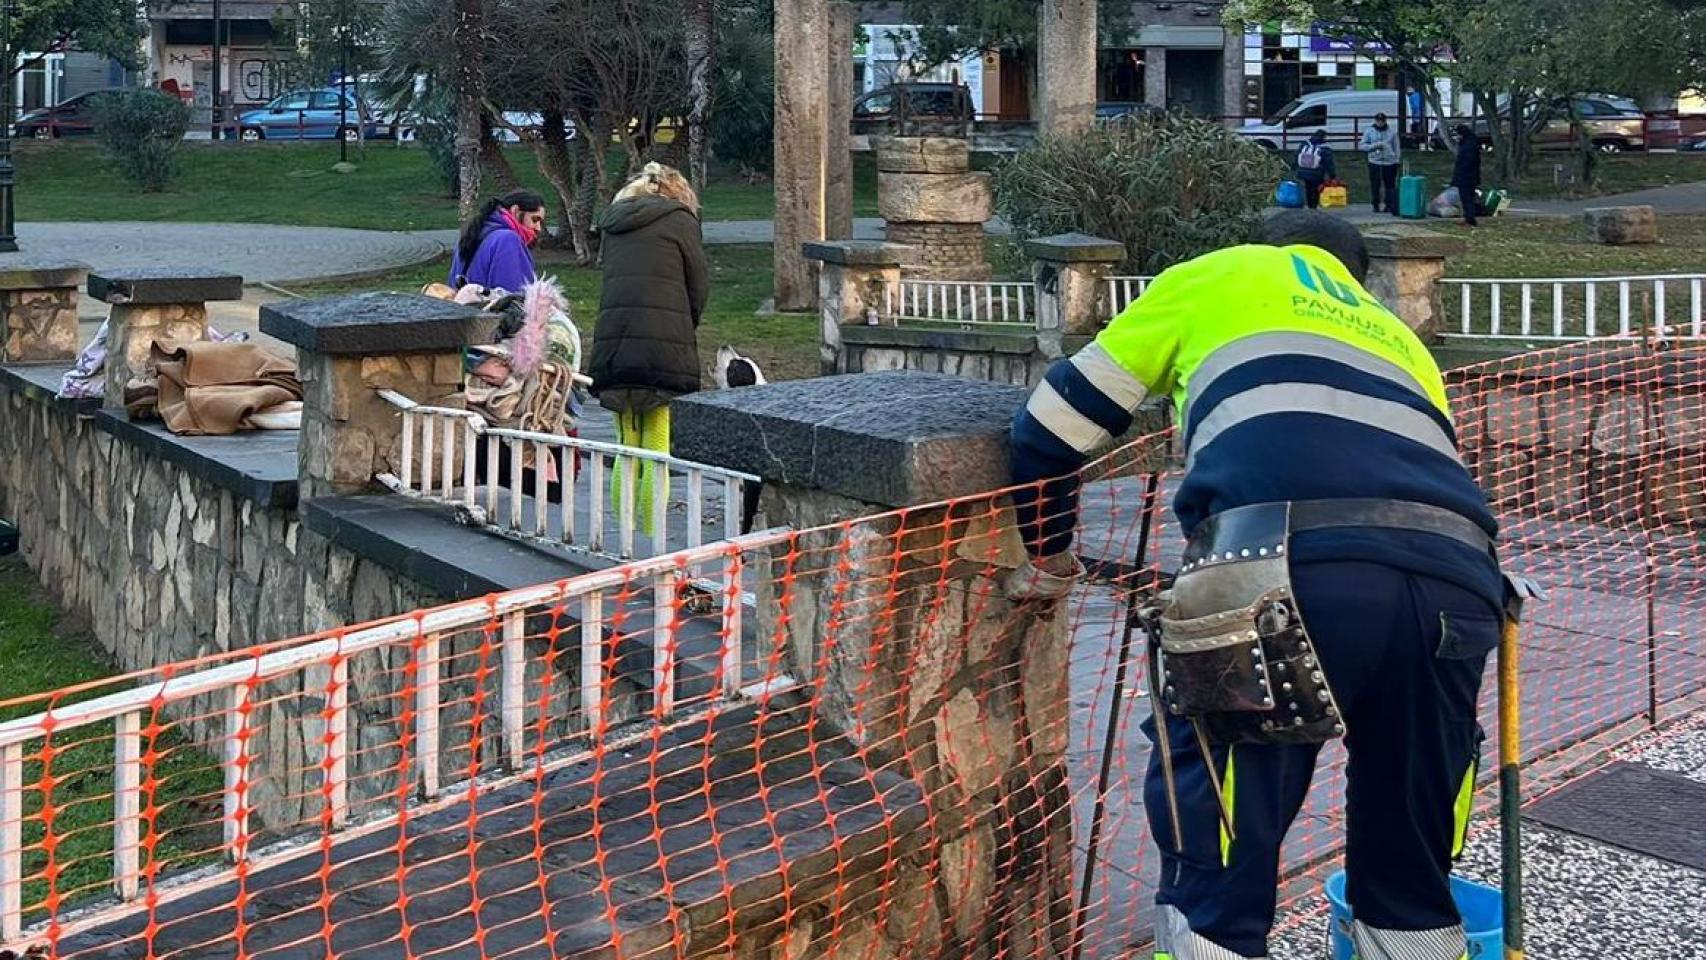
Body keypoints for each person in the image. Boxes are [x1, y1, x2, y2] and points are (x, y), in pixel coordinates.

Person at [1003, 210, 1503, 960]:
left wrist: (1050, 557)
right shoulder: (1400, 340)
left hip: (1278, 575)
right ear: (1357, 279)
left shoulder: (1221, 274)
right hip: (1458, 585)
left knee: (1222, 861)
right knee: (1410, 875)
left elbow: (1048, 430)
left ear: (1263, 247)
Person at [588, 162, 709, 534]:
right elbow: (698, 286)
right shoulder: (681, 222)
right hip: (664, 349)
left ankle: (623, 535)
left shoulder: (613, 226)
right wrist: (685, 322)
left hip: (614, 345)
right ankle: (650, 538)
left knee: (627, 442)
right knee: (657, 446)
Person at [450, 189, 546, 291]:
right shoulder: (508, 239)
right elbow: (512, 295)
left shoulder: (475, 232)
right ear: (516, 211)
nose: (538, 228)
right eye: (535, 220)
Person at [1360, 112, 1401, 215]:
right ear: (1375, 121)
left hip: (1389, 162)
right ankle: (1375, 204)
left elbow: (1396, 147)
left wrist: (1397, 160)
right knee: (1375, 185)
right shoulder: (1369, 131)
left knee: (1390, 185)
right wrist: (1373, 146)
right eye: (1378, 121)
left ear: (1385, 121)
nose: (1380, 123)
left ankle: (1389, 204)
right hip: (1375, 162)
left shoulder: (1392, 132)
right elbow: (1363, 145)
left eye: (1382, 121)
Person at [1295, 130, 1336, 209]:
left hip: (1304, 171)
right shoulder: (1324, 148)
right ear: (1323, 137)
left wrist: (1295, 167)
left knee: (1308, 188)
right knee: (1316, 189)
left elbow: (1296, 156)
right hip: (1317, 172)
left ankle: (1310, 205)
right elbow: (1329, 163)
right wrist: (1332, 175)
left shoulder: (1304, 144)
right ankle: (1314, 206)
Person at [1452, 123, 1483, 227]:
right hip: (1468, 175)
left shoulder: (1469, 145)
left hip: (1467, 176)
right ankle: (1468, 217)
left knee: (1467, 198)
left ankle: (1470, 219)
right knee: (1466, 197)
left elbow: (1467, 160)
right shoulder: (1470, 142)